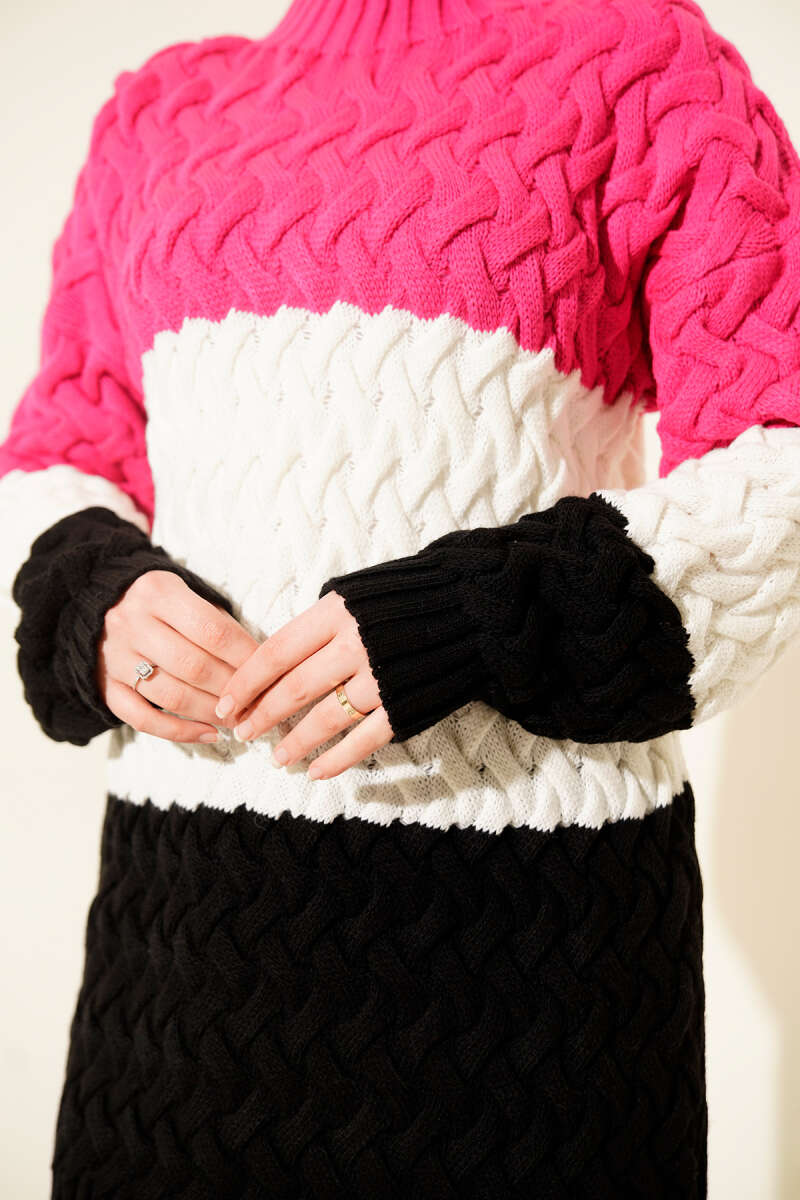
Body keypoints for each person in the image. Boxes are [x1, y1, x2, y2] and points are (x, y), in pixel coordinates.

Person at [2, 0, 799, 1194]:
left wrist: (477, 617)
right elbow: (63, 449)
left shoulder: (641, 69)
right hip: (185, 946)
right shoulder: (159, 116)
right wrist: (92, 597)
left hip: (534, 951)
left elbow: (777, 463)